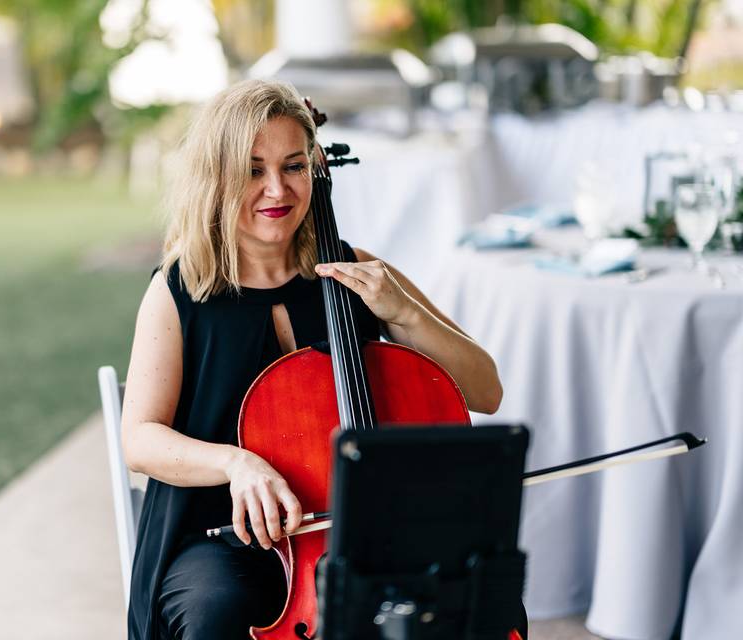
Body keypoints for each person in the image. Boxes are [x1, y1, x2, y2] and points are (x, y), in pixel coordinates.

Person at [121, 79, 513, 640]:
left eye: (294, 166)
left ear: (316, 168)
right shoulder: (183, 290)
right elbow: (139, 439)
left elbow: (486, 391)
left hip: (365, 530)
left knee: (485, 612)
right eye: (253, 169)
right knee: (215, 615)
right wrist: (237, 464)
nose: (277, 190)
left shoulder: (358, 273)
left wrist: (403, 314)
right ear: (217, 176)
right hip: (219, 536)